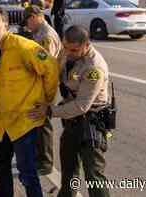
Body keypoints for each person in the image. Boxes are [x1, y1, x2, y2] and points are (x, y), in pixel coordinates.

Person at [0, 6, 59, 197]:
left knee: (27, 173)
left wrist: (47, 103)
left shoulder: (24, 46)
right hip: (1, 121)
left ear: (6, 25)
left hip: (24, 122)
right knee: (0, 165)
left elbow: (51, 69)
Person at [28, 25, 111, 197]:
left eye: (74, 49)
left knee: (94, 178)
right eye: (65, 47)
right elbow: (53, 68)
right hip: (72, 123)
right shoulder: (67, 51)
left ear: (86, 45)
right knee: (69, 173)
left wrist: (50, 111)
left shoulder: (94, 68)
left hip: (91, 125)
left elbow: (81, 106)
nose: (68, 52)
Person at [23, 5, 61, 175]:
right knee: (37, 122)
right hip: (39, 83)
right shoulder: (39, 32)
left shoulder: (46, 36)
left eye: (27, 22)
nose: (27, 26)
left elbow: (47, 66)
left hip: (47, 84)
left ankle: (45, 163)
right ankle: (39, 157)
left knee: (43, 122)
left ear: (34, 17)